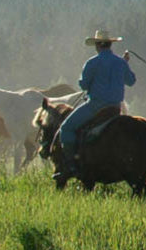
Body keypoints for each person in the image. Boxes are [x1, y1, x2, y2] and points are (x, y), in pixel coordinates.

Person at [52, 30, 136, 180]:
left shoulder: (92, 62)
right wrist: (124, 64)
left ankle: (71, 166)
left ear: (97, 46)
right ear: (110, 44)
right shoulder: (121, 63)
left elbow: (84, 85)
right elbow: (131, 81)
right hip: (115, 107)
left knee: (66, 128)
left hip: (95, 106)